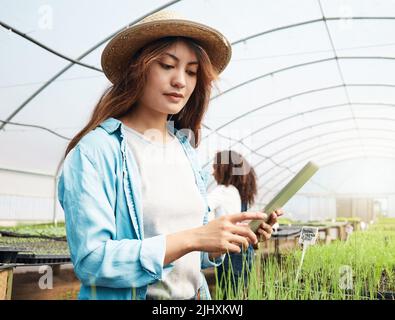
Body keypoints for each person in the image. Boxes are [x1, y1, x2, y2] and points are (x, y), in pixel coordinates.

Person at [57, 10, 279, 300]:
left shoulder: (184, 150)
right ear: (137, 69)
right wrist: (193, 237)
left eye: (191, 71)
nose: (180, 81)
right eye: (167, 65)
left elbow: (189, 261)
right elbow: (92, 260)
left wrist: (223, 238)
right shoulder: (96, 152)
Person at [208, 150, 280, 297]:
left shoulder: (224, 190)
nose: (212, 172)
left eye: (215, 167)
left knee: (230, 294)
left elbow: (202, 208)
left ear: (225, 168)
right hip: (246, 252)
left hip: (228, 253)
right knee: (241, 292)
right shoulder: (241, 194)